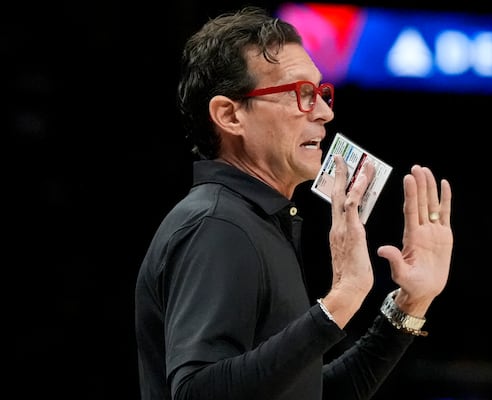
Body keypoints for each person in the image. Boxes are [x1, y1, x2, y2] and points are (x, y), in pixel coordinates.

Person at [134, 6, 453, 400]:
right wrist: (342, 299)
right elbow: (196, 392)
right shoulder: (218, 225)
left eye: (320, 92)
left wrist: (410, 304)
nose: (324, 111)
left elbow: (312, 393)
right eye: (300, 94)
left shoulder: (254, 220)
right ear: (230, 115)